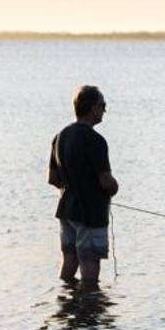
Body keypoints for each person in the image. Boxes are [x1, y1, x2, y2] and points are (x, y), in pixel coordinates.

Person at [50, 84, 119, 286]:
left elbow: (53, 178)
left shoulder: (60, 136)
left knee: (69, 259)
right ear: (92, 107)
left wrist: (73, 188)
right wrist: (114, 188)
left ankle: (66, 301)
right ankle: (89, 310)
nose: (104, 110)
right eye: (102, 105)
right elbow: (106, 181)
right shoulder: (95, 140)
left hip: (67, 210)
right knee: (89, 261)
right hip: (90, 213)